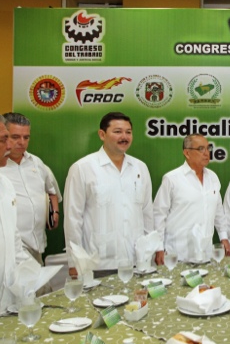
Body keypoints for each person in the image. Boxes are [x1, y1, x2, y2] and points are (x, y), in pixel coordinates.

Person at [63, 112, 159, 277]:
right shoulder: (82, 168)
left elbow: (147, 214)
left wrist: (149, 253)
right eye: (117, 131)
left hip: (136, 261)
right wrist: (74, 262)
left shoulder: (140, 168)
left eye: (128, 132)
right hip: (98, 264)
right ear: (102, 134)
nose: (124, 137)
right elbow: (73, 219)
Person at [0, 113, 61, 265]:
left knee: (39, 286)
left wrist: (55, 211)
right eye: (15, 137)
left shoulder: (36, 162)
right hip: (10, 248)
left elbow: (52, 190)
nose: (22, 142)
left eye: (26, 137)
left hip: (37, 244)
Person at [154, 134, 227, 261]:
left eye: (208, 148)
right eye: (201, 149)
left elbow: (218, 211)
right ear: (187, 153)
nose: (206, 153)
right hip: (178, 254)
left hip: (206, 254)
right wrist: (158, 247)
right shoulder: (172, 179)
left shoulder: (213, 177)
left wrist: (223, 237)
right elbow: (159, 215)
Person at [0, 113, 31, 317]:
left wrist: (29, 277)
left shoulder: (4, 185)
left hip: (7, 303)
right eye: (3, 139)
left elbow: (14, 240)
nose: (10, 146)